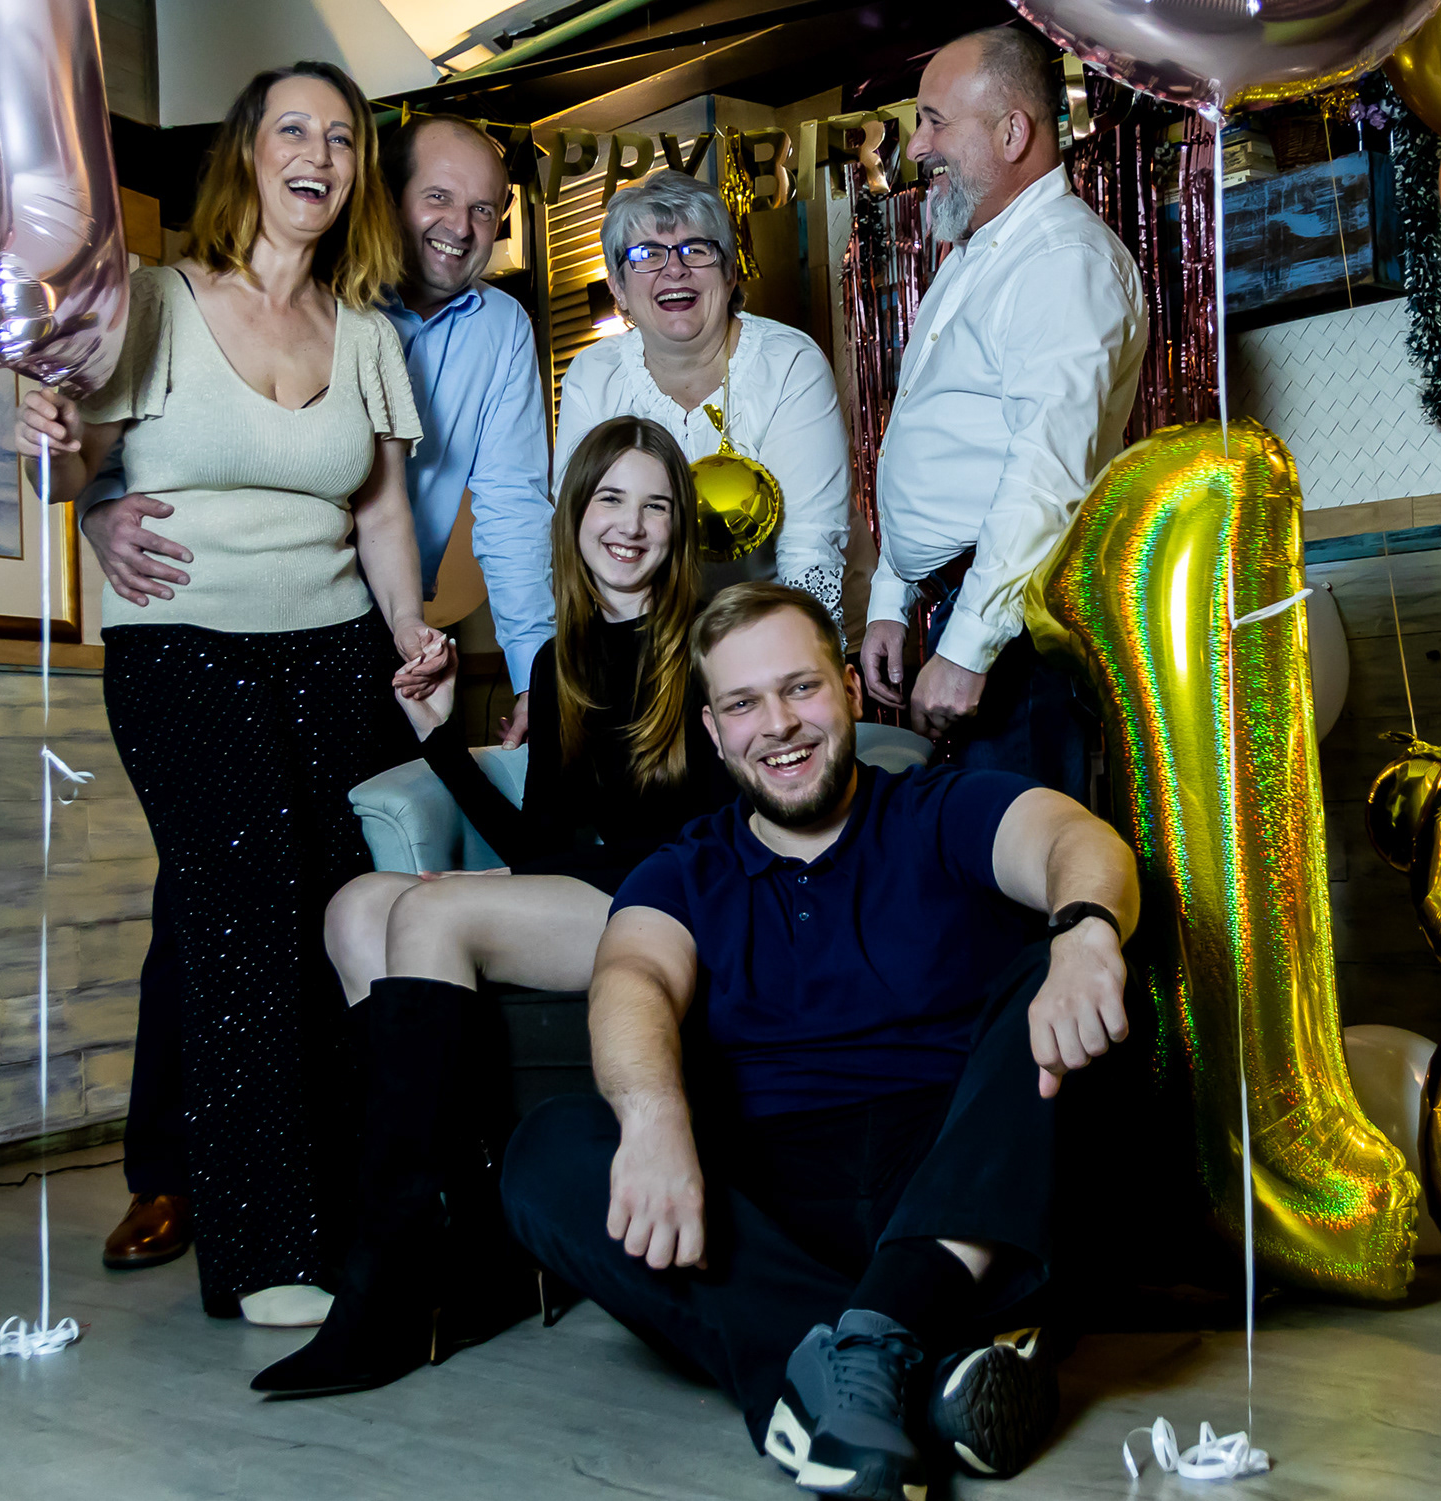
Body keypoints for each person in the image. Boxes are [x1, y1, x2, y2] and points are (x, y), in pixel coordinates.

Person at [501, 583, 1140, 1499]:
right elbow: (631, 977)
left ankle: (845, 1362)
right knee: (547, 1151)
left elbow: (1073, 838)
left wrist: (1083, 932)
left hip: (956, 1181)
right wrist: (651, 1118)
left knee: (1063, 975)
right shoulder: (685, 869)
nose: (778, 725)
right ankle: (925, 1358)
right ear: (714, 731)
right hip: (769, 1203)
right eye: (743, 703)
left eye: (799, 688)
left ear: (847, 688)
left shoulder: (937, 808)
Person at [14, 61, 453, 1326]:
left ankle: (349, 1212)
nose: (320, 152)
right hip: (182, 647)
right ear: (247, 155)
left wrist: (410, 635)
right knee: (241, 909)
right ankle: (263, 1247)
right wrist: (55, 455)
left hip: (334, 651)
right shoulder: (152, 301)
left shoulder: (366, 333)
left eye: (344, 136)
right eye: (293, 129)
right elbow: (70, 475)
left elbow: (381, 512)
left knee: (342, 913)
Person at [94, 111, 553, 1276]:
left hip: (371, 631)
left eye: (486, 211)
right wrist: (97, 511)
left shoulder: (499, 328)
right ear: (385, 197)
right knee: (213, 891)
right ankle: (173, 1169)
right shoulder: (299, 288)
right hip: (230, 628)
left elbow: (507, 503)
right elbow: (134, 430)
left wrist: (538, 672)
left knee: (347, 882)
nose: (461, 228)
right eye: (438, 198)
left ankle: (335, 1169)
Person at [251, 416, 737, 1398]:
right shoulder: (560, 661)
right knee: (358, 907)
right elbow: (540, 842)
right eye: (611, 498)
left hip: (684, 901)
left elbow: (714, 834)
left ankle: (386, 1279)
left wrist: (483, 896)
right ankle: (467, 1233)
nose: (631, 525)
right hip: (591, 890)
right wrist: (438, 734)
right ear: (577, 513)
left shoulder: (711, 642)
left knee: (433, 916)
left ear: (680, 527)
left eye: (656, 505)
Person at [860, 27, 1146, 803]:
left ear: (1013, 133)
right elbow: (943, 442)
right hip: (964, 610)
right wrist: (892, 597)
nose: (917, 147)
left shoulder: (1061, 260)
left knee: (1017, 855)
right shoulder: (978, 251)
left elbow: (1044, 472)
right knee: (972, 856)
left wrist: (968, 647)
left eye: (934, 122)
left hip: (1012, 634)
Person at [555, 170, 850, 627]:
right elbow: (578, 530)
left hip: (766, 627)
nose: (674, 269)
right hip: (640, 631)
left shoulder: (789, 363)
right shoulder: (593, 374)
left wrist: (796, 655)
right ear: (618, 287)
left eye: (696, 249)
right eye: (647, 254)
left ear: (730, 272)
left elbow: (809, 546)